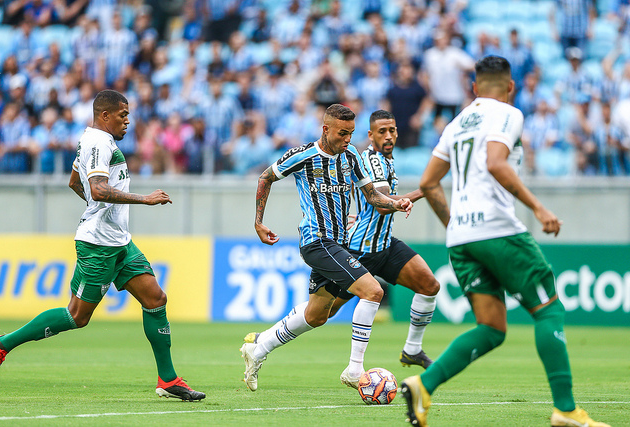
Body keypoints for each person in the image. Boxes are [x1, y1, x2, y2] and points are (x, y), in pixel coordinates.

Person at [400, 56, 609, 427]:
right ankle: (565, 410)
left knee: (492, 328)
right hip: (497, 228)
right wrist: (539, 208)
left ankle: (423, 385)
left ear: (474, 87)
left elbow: (429, 182)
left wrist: (456, 225)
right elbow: (497, 162)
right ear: (510, 87)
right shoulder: (508, 114)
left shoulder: (456, 122)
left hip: (461, 238)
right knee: (548, 309)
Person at [0, 90, 205, 402]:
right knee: (77, 316)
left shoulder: (96, 141)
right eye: (122, 115)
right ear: (105, 115)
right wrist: (143, 199)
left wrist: (100, 209)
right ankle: (0, 344)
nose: (127, 121)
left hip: (119, 241)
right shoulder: (98, 143)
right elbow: (97, 188)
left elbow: (75, 182)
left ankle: (168, 380)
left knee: (156, 298)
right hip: (99, 245)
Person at [240, 104, 413, 392]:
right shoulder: (303, 156)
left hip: (339, 243)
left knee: (317, 315)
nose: (347, 139)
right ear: (325, 129)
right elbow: (265, 177)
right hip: (316, 240)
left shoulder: (352, 156)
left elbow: (371, 196)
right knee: (373, 291)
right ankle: (355, 370)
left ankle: (258, 349)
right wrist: (259, 222)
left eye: (351, 133)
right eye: (342, 133)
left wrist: (395, 203)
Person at [329, 110, 440, 369]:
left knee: (429, 285)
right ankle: (265, 342)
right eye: (382, 131)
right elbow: (382, 205)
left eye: (392, 130)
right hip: (360, 250)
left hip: (385, 245)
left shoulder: (388, 160)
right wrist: (424, 191)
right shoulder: (372, 160)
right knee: (322, 311)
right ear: (370, 135)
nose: (388, 136)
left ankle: (412, 350)